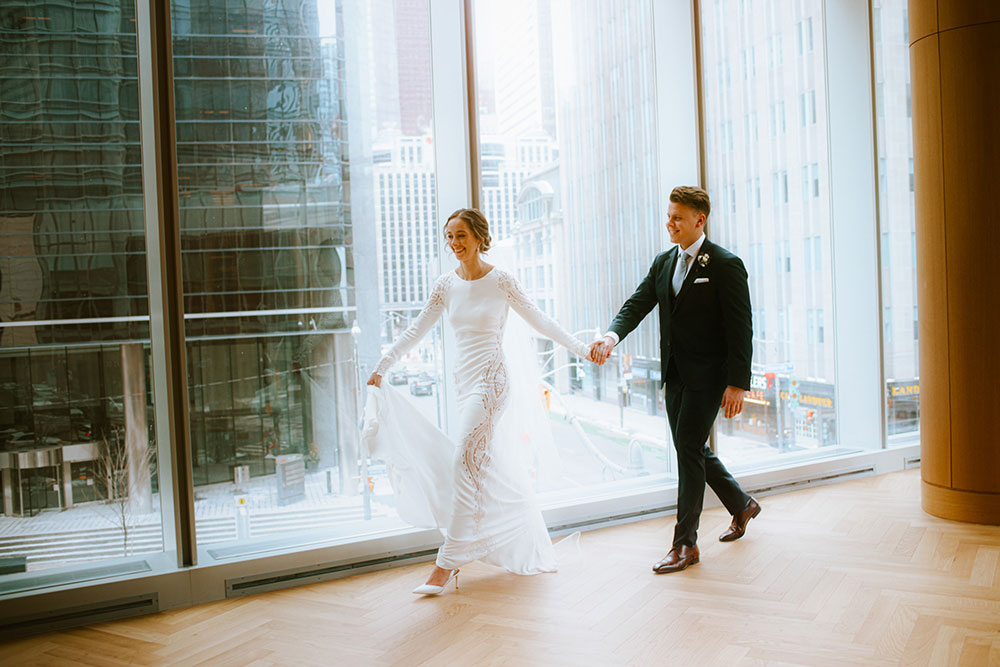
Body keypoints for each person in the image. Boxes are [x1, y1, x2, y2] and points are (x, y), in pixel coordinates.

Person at [367, 208, 594, 594]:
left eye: (461, 236)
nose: (455, 244)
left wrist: (582, 349)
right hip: (462, 384)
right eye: (450, 237)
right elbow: (415, 329)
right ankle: (502, 533)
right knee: (483, 470)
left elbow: (541, 320)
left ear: (478, 237)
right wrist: (382, 366)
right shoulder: (445, 285)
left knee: (462, 461)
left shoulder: (501, 281)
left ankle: (447, 562)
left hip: (491, 383)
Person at [590, 186, 761, 574]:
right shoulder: (664, 262)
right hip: (675, 375)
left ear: (700, 220)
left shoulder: (725, 264)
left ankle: (685, 544)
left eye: (677, 217)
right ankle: (742, 504)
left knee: (687, 448)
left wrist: (737, 384)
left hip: (710, 377)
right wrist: (612, 336)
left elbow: (741, 329)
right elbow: (637, 303)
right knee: (693, 448)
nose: (670, 223)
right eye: (669, 216)